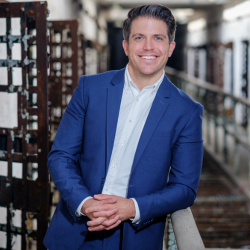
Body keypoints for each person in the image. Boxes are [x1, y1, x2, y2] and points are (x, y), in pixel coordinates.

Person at [44, 4, 203, 250]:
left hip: (135, 236)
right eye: (139, 37)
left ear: (170, 48)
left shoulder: (187, 111)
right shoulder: (90, 89)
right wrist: (86, 203)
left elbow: (184, 188)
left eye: (158, 38)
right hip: (76, 229)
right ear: (126, 45)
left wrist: (132, 208)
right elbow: (61, 156)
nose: (148, 47)